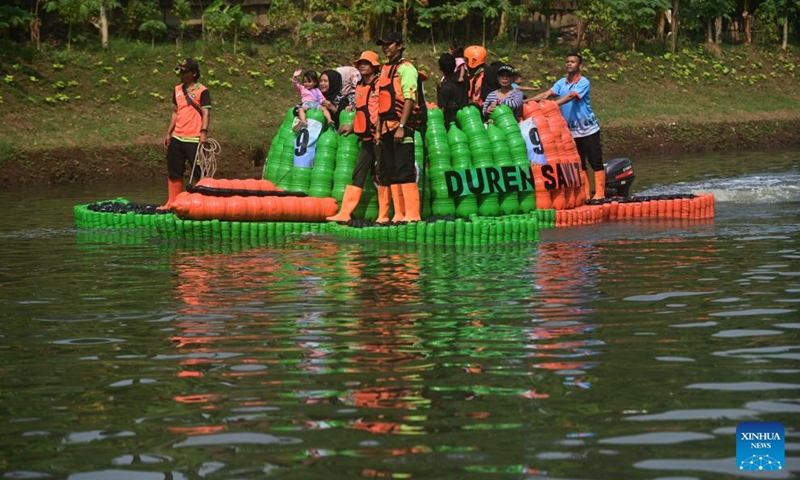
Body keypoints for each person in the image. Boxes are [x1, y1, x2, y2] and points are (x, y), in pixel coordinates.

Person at [530, 53, 605, 200]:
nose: (569, 64)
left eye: (573, 62)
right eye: (567, 61)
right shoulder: (561, 83)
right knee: (580, 163)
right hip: (571, 132)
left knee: (595, 161)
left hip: (588, 130)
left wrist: (552, 105)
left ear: (579, 66)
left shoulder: (584, 82)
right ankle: (586, 194)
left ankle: (600, 193)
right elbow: (547, 94)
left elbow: (571, 96)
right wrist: (530, 102)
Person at [326, 51, 389, 223]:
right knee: (358, 173)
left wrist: (378, 131)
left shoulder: (381, 85)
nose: (362, 65)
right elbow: (363, 112)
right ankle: (345, 213)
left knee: (382, 173)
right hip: (366, 138)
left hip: (380, 137)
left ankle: (383, 215)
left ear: (374, 66)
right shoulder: (360, 86)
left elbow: (382, 111)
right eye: (360, 63)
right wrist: (352, 126)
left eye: (366, 63)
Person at [376, 32, 424, 222]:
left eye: (389, 44)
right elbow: (381, 102)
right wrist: (379, 130)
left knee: (404, 168)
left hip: (402, 126)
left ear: (400, 45)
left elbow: (409, 98)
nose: (385, 47)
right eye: (383, 44)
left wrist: (402, 126)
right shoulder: (385, 69)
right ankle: (398, 214)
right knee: (390, 170)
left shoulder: (407, 68)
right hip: (386, 127)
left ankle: (412, 214)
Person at [160, 58, 211, 209]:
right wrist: (169, 133)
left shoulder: (203, 91)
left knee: (200, 172)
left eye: (185, 72)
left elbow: (206, 113)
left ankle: (204, 203)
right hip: (177, 137)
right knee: (174, 170)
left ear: (194, 74)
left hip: (194, 138)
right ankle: (172, 203)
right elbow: (175, 112)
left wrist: (203, 132)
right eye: (180, 71)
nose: (181, 74)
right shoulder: (177, 90)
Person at [437, 53, 468, 128]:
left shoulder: (443, 88)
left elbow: (442, 110)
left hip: (451, 125)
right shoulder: (465, 79)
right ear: (455, 66)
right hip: (467, 120)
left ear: (441, 69)